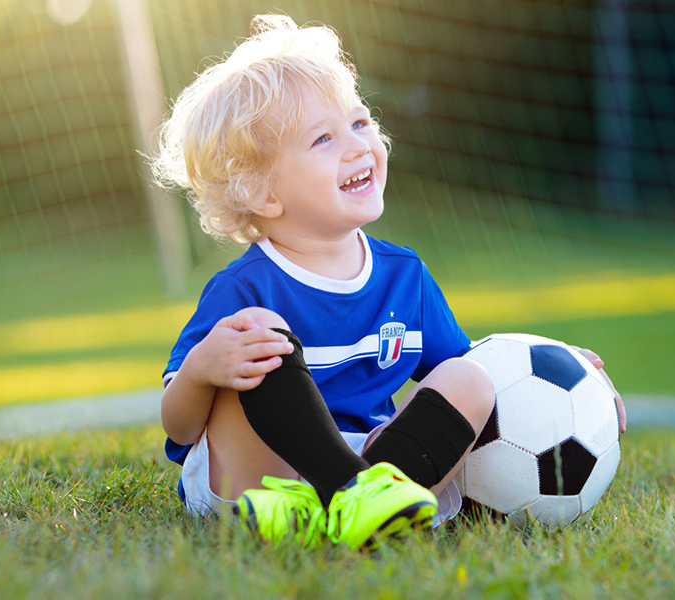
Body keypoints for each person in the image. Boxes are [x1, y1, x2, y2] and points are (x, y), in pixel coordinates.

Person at [153, 14, 626, 550]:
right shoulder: (244, 288)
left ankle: (360, 503)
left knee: (469, 379)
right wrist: (201, 370)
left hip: (375, 457)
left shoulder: (406, 277)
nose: (358, 145)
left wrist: (571, 368)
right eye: (324, 138)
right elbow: (180, 427)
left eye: (359, 122)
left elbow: (482, 372)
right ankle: (351, 494)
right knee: (256, 332)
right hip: (261, 480)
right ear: (263, 193)